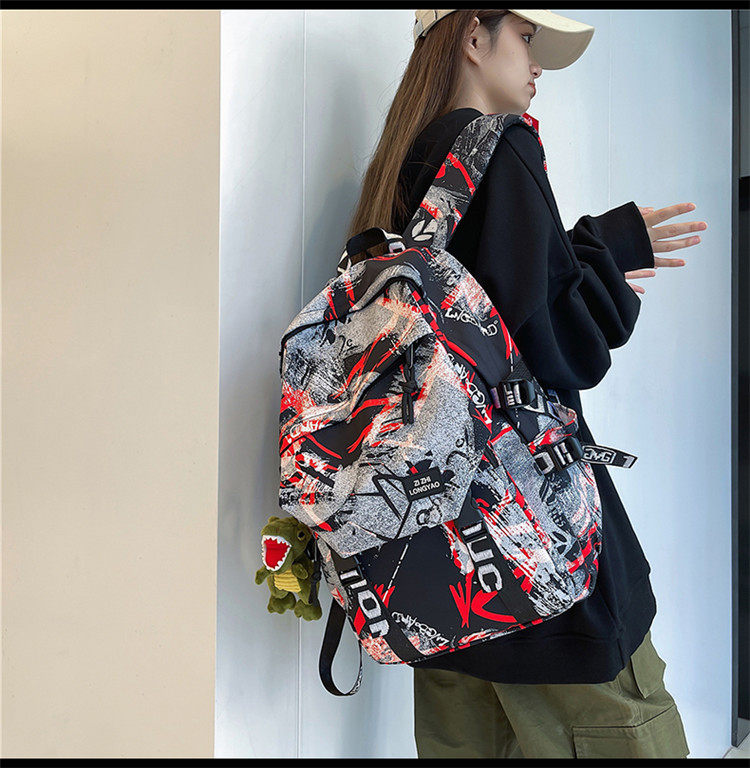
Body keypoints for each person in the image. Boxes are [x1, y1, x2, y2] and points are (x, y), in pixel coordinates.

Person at [345, 9, 705, 760]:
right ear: (474, 38)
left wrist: (581, 254)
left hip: (442, 585)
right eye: (527, 38)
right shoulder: (502, 148)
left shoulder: (403, 177)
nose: (537, 64)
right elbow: (558, 345)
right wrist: (606, 257)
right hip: (544, 569)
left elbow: (481, 318)